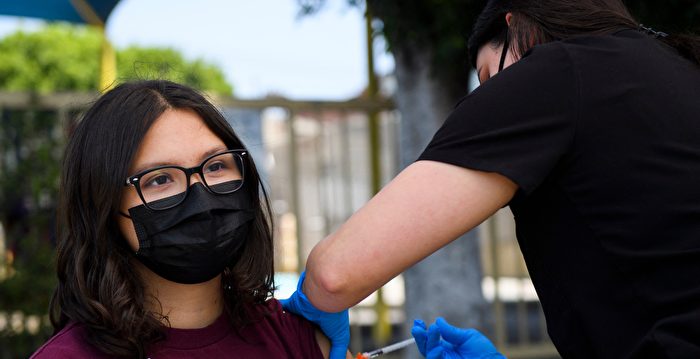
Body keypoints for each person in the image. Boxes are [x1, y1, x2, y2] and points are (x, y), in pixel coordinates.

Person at [281, 0, 700, 358]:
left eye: (488, 79)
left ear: (515, 25)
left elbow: (335, 276)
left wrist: (313, 303)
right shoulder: (680, 70)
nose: (494, 97)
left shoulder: (556, 72)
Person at [31, 80, 351, 358]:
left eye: (215, 166)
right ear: (103, 208)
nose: (201, 195)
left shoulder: (297, 340)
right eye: (159, 179)